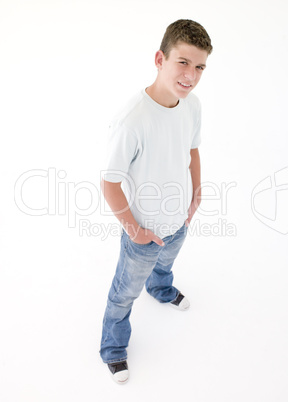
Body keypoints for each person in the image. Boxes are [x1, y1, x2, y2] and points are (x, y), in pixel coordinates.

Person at [99, 19, 213, 384]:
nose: (191, 75)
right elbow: (109, 183)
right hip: (143, 232)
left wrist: (195, 194)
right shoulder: (133, 120)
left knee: (167, 262)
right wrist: (136, 231)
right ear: (160, 58)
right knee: (123, 295)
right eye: (183, 62)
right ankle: (113, 348)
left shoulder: (191, 105)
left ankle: (160, 288)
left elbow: (192, 149)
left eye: (199, 67)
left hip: (179, 221)